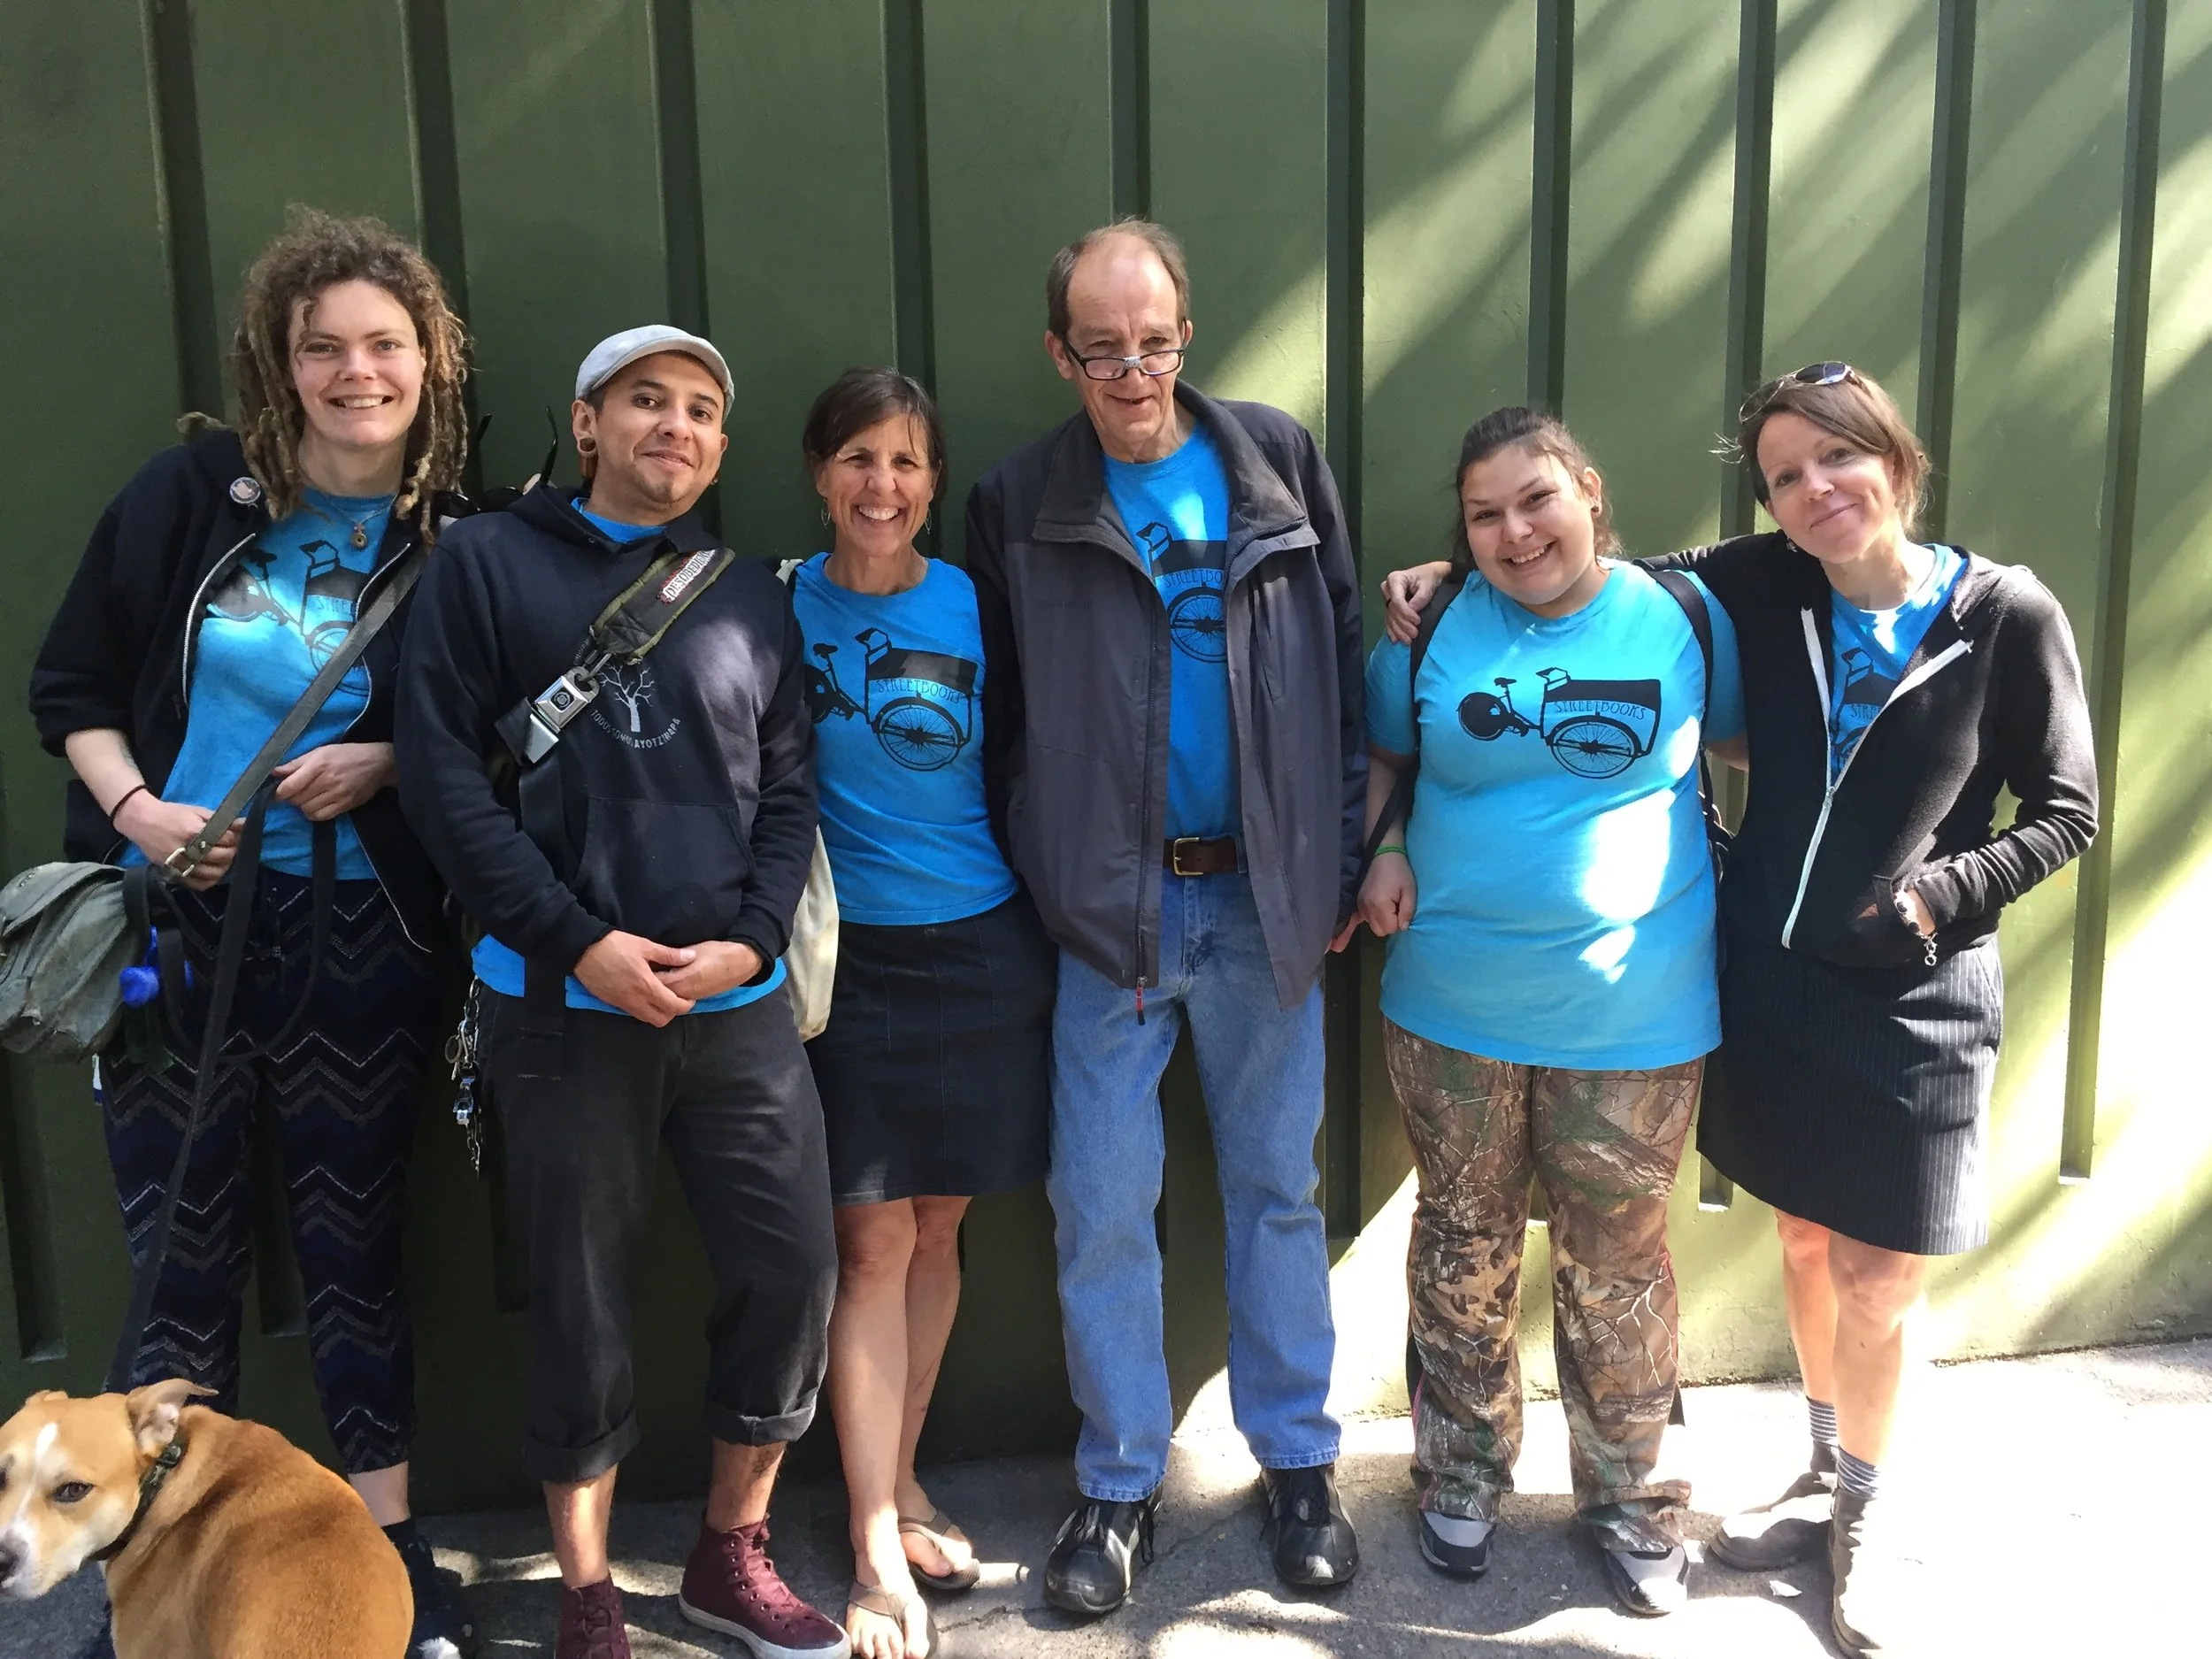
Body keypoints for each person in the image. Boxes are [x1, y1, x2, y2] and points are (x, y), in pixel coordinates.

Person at [1385, 365, 2097, 1655]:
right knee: (1737, 1247)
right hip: (1624, 987)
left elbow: (2057, 805)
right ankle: (1518, 1475)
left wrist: (1936, 895)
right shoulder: (1721, 592)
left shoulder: (1946, 612)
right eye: (1785, 476)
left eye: (1839, 460)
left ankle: (1735, 1506)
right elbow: (1438, 712)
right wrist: (1445, 593)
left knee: (1745, 1271)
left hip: (1788, 1000)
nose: (1816, 490)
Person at [29, 209, 474, 1659]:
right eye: (321, 346)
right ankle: (151, 1579)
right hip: (175, 931)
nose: (357, 372)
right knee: (183, 1254)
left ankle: (387, 1561)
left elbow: (490, 736)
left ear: (431, 360)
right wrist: (143, 812)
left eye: (385, 344)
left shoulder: (455, 542)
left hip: (362, 932)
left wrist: (389, 759)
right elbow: (71, 685)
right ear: (279, 364)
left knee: (354, 1248)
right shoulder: (186, 499)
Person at [395, 326, 845, 1659]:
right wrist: (574, 940)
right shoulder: (483, 564)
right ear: (588, 422)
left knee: (791, 1273)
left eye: (702, 409)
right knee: (580, 1303)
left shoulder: (750, 592)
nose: (677, 426)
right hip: (560, 1007)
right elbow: (442, 781)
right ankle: (587, 1595)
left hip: (734, 1007)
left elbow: (790, 790)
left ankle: (729, 1554)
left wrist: (753, 944)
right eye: (648, 400)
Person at [965, 218, 1366, 1617]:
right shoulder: (1021, 498)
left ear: (1186, 333)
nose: (1132, 373)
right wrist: (1054, 868)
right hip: (1111, 918)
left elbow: (1344, 666)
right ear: (1059, 352)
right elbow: (999, 718)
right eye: (1102, 349)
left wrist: (1332, 859)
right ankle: (1122, 1477)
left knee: (1277, 1191)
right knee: (1099, 1205)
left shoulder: (1277, 460)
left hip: (1264, 903)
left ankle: (1299, 1463)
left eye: (1152, 343)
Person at [1343, 406, 1740, 1615]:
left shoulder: (1685, 617)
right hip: (1453, 1002)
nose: (1516, 532)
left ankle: (1632, 1497)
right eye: (1485, 514)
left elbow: (1756, 751)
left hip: (1636, 1008)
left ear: (1589, 491)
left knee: (1617, 1258)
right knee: (1462, 1241)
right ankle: (1461, 1471)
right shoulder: (1427, 627)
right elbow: (1385, 762)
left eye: (1536, 499)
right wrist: (1384, 848)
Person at [791, 368, 1054, 1659]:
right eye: (857, 458)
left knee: (940, 1224)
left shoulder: (976, 604)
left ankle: (900, 1478)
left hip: (985, 949)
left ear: (934, 481)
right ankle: (873, 1543)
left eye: (904, 461)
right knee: (870, 1244)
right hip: (848, 964)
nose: (880, 485)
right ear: (818, 475)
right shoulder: (775, 605)